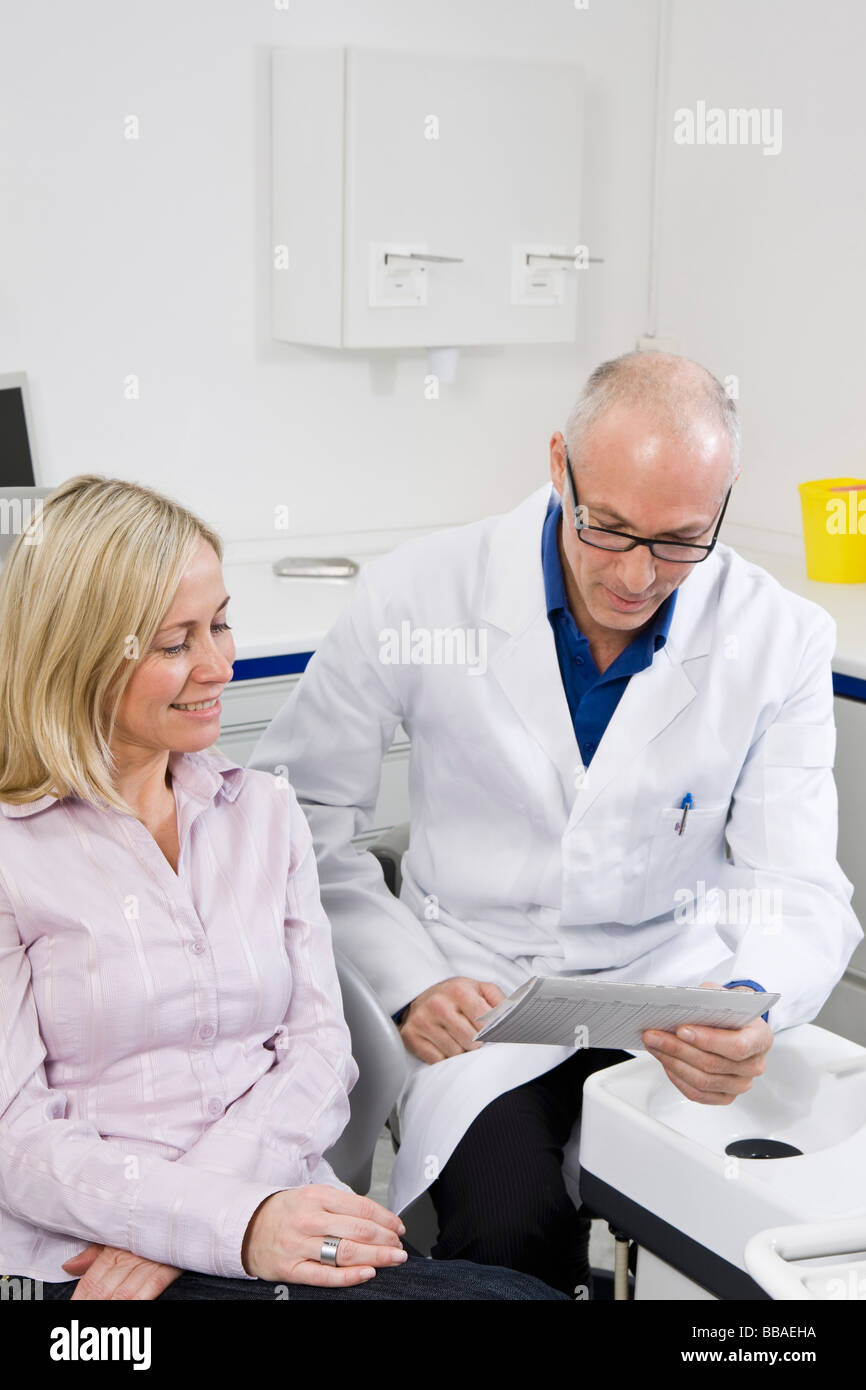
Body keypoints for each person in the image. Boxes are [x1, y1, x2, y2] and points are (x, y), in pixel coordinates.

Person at [250, 351, 863, 1297]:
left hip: (670, 985)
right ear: (557, 465)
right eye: (607, 527)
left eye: (678, 541)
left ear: (723, 505)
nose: (635, 574)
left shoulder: (778, 636)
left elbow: (799, 885)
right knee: (507, 1221)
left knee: (742, 1228)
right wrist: (409, 979)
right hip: (481, 989)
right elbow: (296, 818)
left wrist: (750, 998)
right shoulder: (421, 593)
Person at [0, 474, 567, 1302]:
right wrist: (216, 1224)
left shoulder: (263, 813)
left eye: (221, 623)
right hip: (89, 1270)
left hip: (277, 1220)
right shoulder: (17, 854)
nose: (219, 664)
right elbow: (13, 1142)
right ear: (82, 652)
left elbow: (318, 1055)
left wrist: (210, 1223)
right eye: (174, 642)